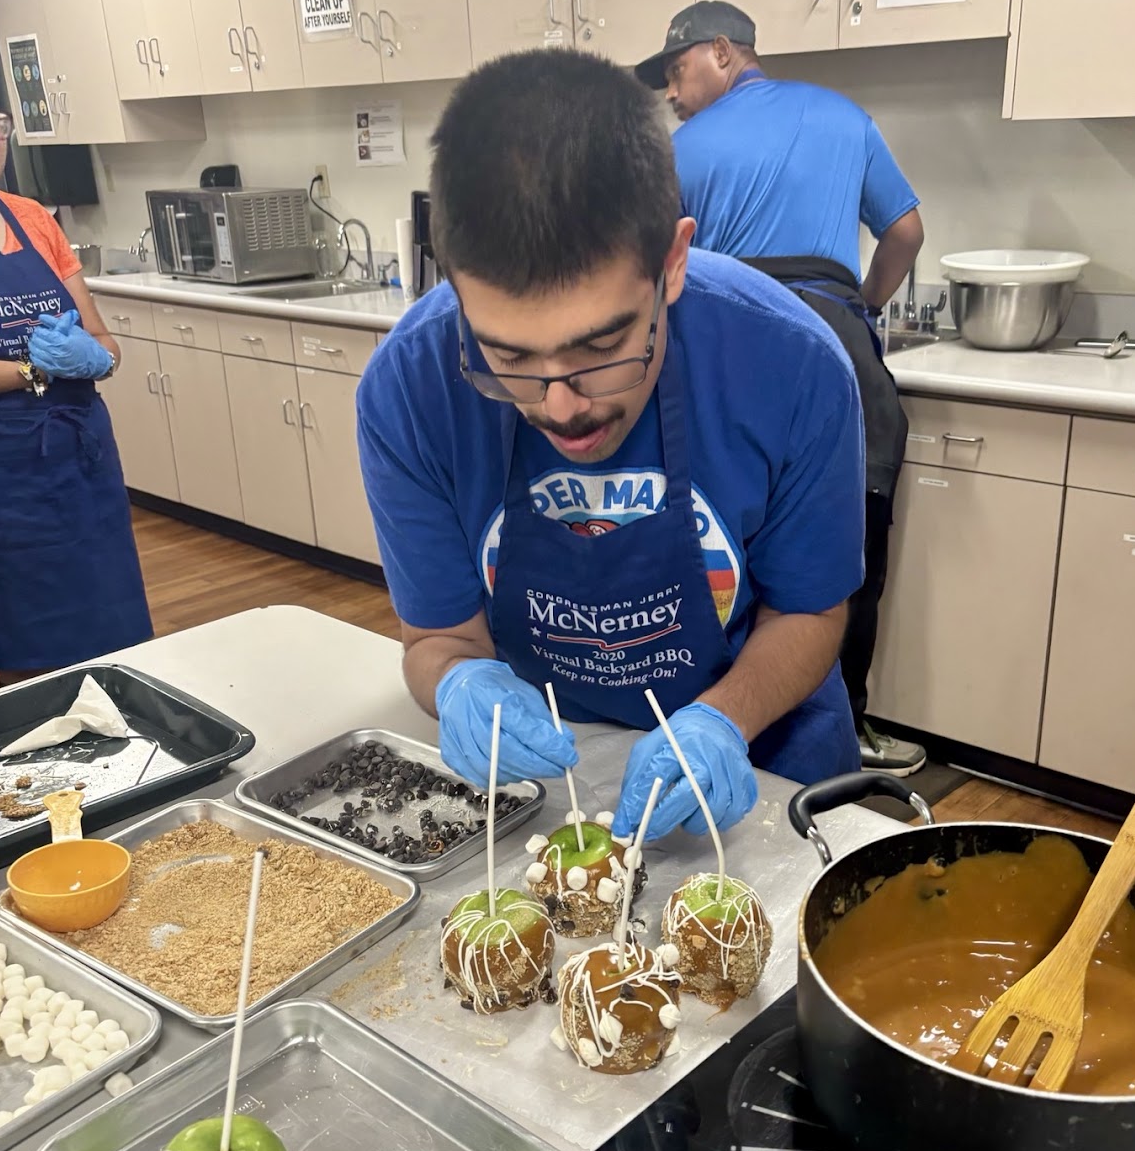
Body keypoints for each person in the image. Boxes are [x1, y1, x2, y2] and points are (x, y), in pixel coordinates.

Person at [357, 50, 866, 842]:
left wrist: (723, 722)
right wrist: (458, 683)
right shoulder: (410, 388)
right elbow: (439, 638)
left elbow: (809, 610)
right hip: (546, 782)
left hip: (760, 765)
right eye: (511, 358)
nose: (560, 406)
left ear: (672, 261)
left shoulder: (792, 364)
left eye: (602, 347)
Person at [636, 1, 926, 778]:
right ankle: (847, 733)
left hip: (722, 352)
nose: (672, 92)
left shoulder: (682, 149)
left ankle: (707, 726)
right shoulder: (844, 116)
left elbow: (651, 273)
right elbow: (906, 233)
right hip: (836, 346)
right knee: (844, 557)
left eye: (677, 71)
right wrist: (860, 307)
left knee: (722, 545)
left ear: (725, 53)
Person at [0, 110, 152, 684]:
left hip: (80, 463)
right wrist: (35, 368)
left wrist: (100, 359)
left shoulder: (34, 219)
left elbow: (101, 337)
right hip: (6, 477)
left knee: (109, 631)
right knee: (21, 652)